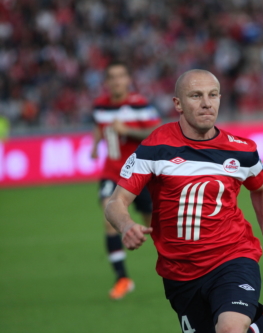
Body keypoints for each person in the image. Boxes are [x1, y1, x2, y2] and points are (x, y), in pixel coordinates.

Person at [105, 69, 263, 333]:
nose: (207, 103)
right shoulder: (156, 147)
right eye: (196, 96)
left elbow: (262, 189)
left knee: (229, 329)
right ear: (178, 104)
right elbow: (115, 202)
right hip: (179, 273)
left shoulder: (242, 150)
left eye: (213, 95)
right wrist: (126, 226)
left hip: (233, 257)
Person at [91, 61, 161, 300]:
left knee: (155, 226)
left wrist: (127, 130)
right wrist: (95, 144)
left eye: (121, 76)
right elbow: (99, 126)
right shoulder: (100, 105)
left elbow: (155, 131)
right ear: (107, 81)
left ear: (128, 80)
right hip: (112, 172)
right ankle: (122, 278)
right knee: (109, 216)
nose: (116, 80)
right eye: (112, 77)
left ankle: (178, 266)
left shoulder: (140, 104)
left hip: (139, 173)